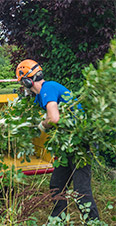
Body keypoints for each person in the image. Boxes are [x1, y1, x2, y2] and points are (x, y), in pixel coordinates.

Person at [16, 59, 100, 220]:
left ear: (27, 81)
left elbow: (53, 118)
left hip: (79, 143)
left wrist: (42, 125)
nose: (23, 87)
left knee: (81, 191)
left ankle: (94, 223)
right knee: (57, 186)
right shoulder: (42, 96)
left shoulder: (48, 88)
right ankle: (58, 220)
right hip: (66, 144)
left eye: (22, 83)